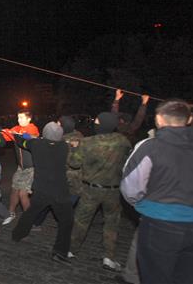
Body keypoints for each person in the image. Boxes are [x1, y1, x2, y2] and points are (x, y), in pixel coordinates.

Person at [120, 99, 193, 284]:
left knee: (155, 276)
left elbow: (131, 186)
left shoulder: (151, 147)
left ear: (158, 119)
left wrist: (142, 206)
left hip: (161, 224)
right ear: (188, 119)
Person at [68, 112, 132, 271]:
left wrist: (73, 148)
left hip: (91, 189)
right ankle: (109, 257)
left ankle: (70, 250)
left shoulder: (87, 142)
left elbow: (74, 163)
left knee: (81, 221)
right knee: (112, 224)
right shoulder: (122, 141)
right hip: (114, 191)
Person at [11, 122, 73, 265]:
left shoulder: (36, 145)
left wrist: (18, 135)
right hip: (60, 191)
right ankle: (60, 251)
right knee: (66, 221)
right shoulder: (65, 147)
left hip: (41, 189)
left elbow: (22, 142)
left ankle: (17, 234)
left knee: (31, 213)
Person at [32, 115, 84, 229]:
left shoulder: (59, 139)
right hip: (76, 179)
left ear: (61, 125)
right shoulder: (79, 136)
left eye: (58, 123)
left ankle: (37, 222)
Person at [0, 110, 40, 223]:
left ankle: (29, 219)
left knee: (23, 193)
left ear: (29, 119)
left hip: (31, 168)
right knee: (14, 190)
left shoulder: (33, 128)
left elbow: (30, 137)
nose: (19, 120)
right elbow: (6, 135)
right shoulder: (17, 128)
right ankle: (10, 213)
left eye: (22, 118)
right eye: (18, 118)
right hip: (20, 167)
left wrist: (17, 134)